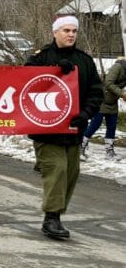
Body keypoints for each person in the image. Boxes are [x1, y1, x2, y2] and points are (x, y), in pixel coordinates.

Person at [25, 15, 102, 240]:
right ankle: (52, 218)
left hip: (73, 130)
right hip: (46, 131)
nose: (71, 34)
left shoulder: (85, 61)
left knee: (70, 173)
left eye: (74, 31)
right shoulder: (41, 58)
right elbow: (25, 79)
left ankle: (56, 213)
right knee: (57, 169)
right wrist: (52, 69)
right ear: (55, 32)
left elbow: (96, 92)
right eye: (66, 30)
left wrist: (86, 114)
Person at [81, 58, 126, 159]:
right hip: (102, 100)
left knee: (112, 126)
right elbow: (108, 83)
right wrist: (122, 94)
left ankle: (109, 151)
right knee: (95, 125)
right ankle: (81, 146)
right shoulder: (118, 67)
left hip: (113, 102)